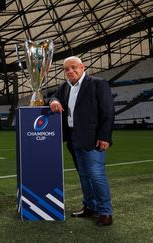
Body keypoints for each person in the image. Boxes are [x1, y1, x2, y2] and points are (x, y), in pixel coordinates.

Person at [49, 56, 114, 226]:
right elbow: (53, 96)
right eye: (67, 69)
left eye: (73, 67)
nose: (70, 71)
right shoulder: (64, 87)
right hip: (73, 138)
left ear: (82, 67)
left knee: (96, 175)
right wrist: (54, 101)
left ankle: (105, 212)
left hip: (92, 139)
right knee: (84, 175)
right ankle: (89, 207)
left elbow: (108, 111)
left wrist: (105, 136)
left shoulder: (98, 84)